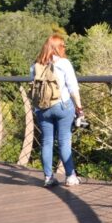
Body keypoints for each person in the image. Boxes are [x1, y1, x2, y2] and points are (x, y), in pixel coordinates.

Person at [30, 35, 83, 188]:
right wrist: (79, 108)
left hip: (42, 109)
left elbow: (33, 89)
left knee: (47, 142)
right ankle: (70, 177)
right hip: (62, 106)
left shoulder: (35, 65)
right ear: (58, 47)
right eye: (63, 45)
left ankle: (48, 177)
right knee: (64, 141)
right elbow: (73, 88)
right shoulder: (64, 63)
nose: (64, 48)